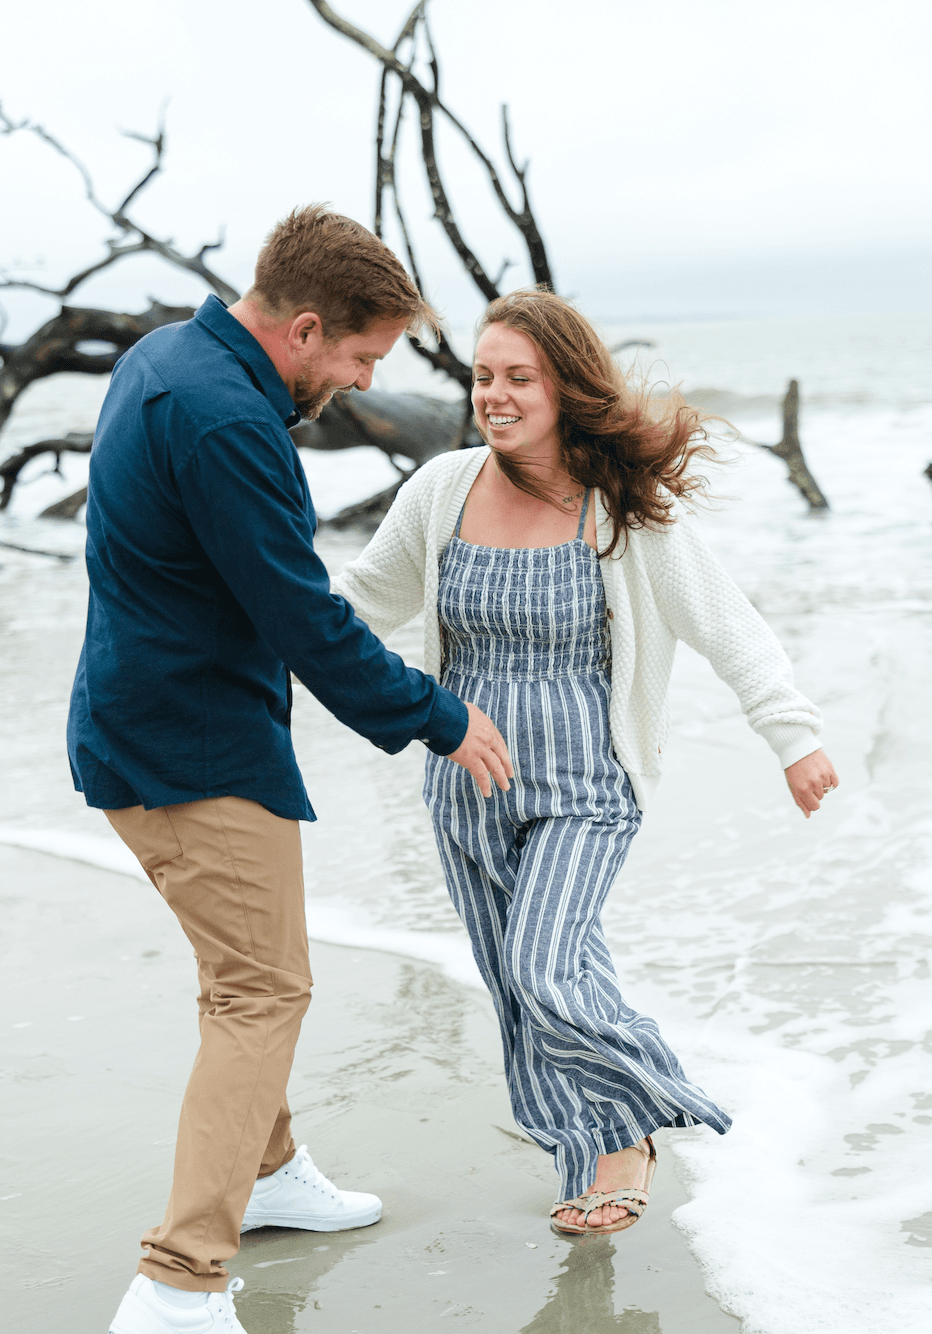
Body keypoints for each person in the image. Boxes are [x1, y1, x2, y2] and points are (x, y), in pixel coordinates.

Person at [67, 205, 512, 1334]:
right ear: (305, 328)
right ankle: (177, 1280)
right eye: (361, 357)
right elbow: (303, 618)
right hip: (193, 748)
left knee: (242, 977)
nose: (357, 379)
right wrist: (438, 714)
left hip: (138, 720)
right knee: (263, 992)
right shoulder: (227, 421)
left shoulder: (163, 355)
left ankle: (267, 1175)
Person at [331, 287, 839, 1238]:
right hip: (464, 786)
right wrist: (256, 652)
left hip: (588, 790)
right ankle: (596, 1150)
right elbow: (356, 607)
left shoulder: (624, 512)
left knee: (543, 965)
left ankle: (648, 1109)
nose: (496, 394)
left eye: (518, 377)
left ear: (565, 388)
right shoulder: (440, 492)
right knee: (518, 987)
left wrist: (793, 735)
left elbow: (726, 624)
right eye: (484, 377)